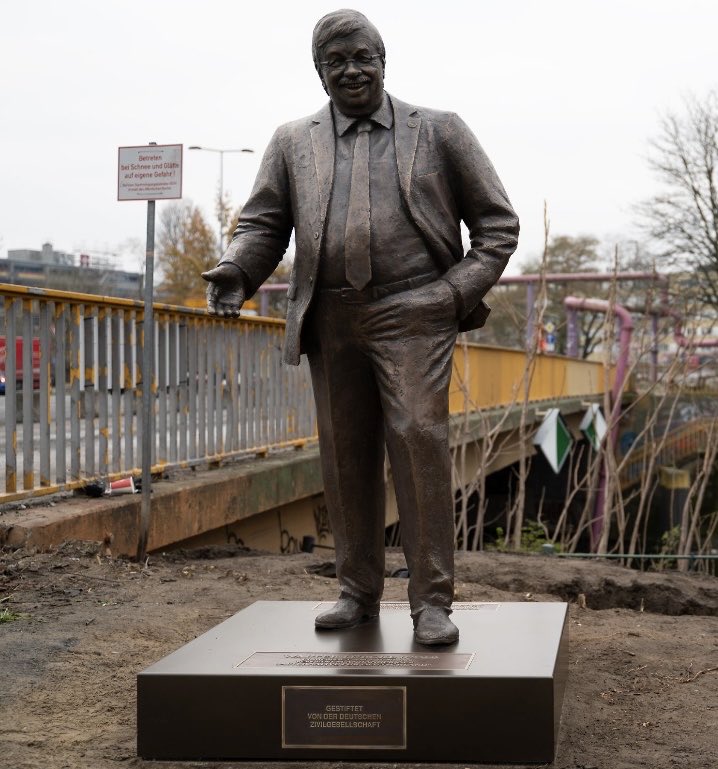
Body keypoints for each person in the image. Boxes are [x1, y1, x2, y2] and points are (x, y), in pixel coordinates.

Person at [202, 9, 519, 645]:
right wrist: (238, 270)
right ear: (318, 72)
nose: (351, 70)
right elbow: (264, 223)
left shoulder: (440, 130)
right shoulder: (293, 141)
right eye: (335, 61)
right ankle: (356, 591)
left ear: (383, 59)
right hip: (332, 318)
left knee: (418, 439)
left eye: (361, 57)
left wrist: (446, 297)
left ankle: (431, 601)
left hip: (415, 312)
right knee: (345, 457)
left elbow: (497, 228)